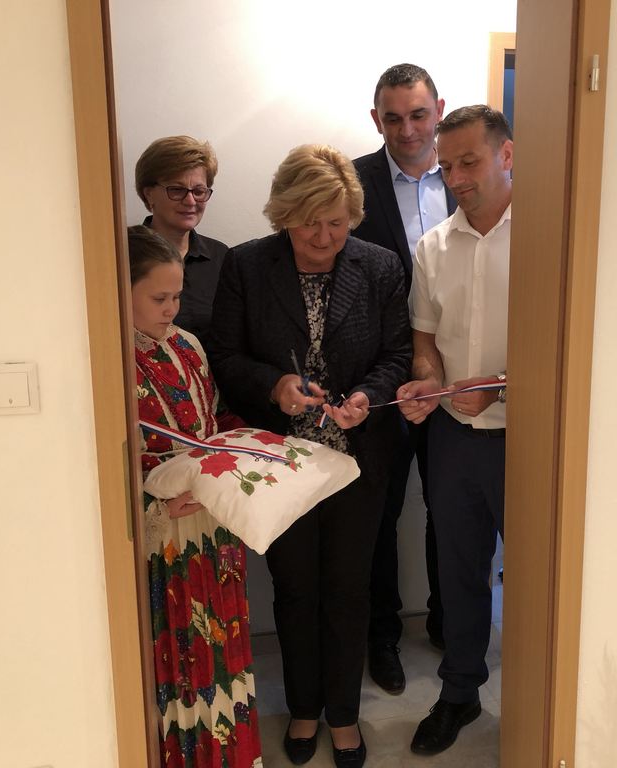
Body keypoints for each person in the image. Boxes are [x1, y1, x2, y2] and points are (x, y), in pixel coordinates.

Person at [207, 145, 411, 768]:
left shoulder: (378, 266)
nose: (323, 237)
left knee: (348, 589)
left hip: (357, 457)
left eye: (337, 222)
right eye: (308, 224)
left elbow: (397, 354)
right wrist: (275, 385)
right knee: (295, 589)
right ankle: (302, 708)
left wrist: (368, 395)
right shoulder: (247, 265)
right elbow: (225, 356)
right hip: (280, 461)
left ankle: (343, 715)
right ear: (283, 215)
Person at [396, 106, 513, 756]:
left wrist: (500, 385)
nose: (457, 177)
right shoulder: (433, 247)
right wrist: (427, 380)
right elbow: (424, 339)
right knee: (459, 573)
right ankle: (460, 693)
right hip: (452, 441)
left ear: (506, 155)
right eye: (447, 167)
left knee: (536, 576)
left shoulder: (549, 236)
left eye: (470, 162)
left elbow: (567, 340)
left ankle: (542, 695)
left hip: (529, 441)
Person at [130, 225, 263, 768]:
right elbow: (101, 467)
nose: (172, 309)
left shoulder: (188, 345)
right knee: (179, 655)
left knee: (224, 649)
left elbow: (213, 420)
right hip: (164, 539)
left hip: (214, 525)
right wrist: (156, 510)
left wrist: (253, 447)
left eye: (177, 297)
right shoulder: (110, 361)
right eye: (158, 298)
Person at [351, 63, 455, 694]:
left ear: (438, 109)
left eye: (418, 115)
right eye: (393, 118)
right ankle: (381, 637)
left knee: (452, 509)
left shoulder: (470, 174)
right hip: (385, 377)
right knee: (379, 514)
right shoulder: (354, 183)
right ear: (376, 120)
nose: (408, 129)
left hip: (456, 376)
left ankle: (449, 624)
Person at [135, 136, 228, 349]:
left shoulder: (222, 257)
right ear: (149, 194)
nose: (190, 201)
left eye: (199, 191)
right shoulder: (123, 256)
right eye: (177, 190)